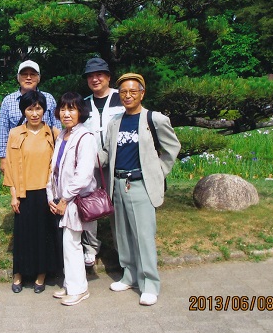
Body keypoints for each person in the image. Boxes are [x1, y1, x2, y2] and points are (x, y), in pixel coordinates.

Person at [99, 73, 181, 306]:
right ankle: (129, 275)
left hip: (140, 185)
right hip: (117, 183)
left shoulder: (154, 119)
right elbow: (106, 151)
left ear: (142, 93)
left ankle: (150, 284)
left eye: (133, 92)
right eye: (123, 92)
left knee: (143, 236)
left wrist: (157, 172)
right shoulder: (115, 121)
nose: (127, 96)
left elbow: (172, 148)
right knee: (122, 234)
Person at [3, 91, 61, 294]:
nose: (34, 113)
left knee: (43, 234)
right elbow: (9, 165)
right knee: (23, 235)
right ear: (23, 111)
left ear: (44, 110)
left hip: (46, 193)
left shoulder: (53, 133)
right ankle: (19, 274)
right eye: (30, 109)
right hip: (23, 192)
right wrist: (13, 194)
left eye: (38, 108)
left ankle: (41, 275)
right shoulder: (15, 133)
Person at [46, 92, 97, 306]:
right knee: (68, 243)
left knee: (72, 243)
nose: (67, 114)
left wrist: (65, 199)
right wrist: (51, 195)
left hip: (75, 200)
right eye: (64, 109)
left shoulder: (85, 137)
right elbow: (54, 169)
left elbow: (83, 175)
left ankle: (79, 289)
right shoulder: (62, 136)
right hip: (62, 198)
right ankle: (70, 283)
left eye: (72, 109)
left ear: (80, 112)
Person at [81, 57, 125, 266]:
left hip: (118, 161)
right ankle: (90, 248)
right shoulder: (83, 103)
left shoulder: (121, 99)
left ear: (108, 77)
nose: (95, 79)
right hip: (90, 162)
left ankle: (121, 250)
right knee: (89, 203)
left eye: (99, 75)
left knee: (117, 204)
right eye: (90, 76)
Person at [0, 60, 61, 173]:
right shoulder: (8, 101)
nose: (28, 77)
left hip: (46, 158)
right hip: (18, 157)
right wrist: (3, 159)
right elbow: (3, 131)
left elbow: (57, 129)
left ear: (39, 78)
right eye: (24, 74)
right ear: (18, 77)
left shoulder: (48, 99)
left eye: (32, 74)